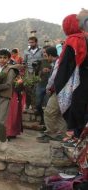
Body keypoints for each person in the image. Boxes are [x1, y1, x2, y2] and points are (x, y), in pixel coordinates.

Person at [54, 13, 88, 146]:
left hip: (78, 80)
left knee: (76, 106)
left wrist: (58, 84)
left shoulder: (73, 40)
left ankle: (77, 136)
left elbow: (65, 66)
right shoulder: (85, 37)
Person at [36, 46, 67, 143]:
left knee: (49, 112)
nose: (46, 58)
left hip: (58, 91)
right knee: (58, 114)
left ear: (50, 55)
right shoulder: (59, 61)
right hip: (63, 91)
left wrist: (48, 88)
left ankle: (50, 134)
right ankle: (62, 134)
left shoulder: (57, 63)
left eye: (46, 56)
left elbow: (53, 78)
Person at [23, 36, 44, 110]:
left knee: (36, 89)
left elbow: (44, 61)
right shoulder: (26, 51)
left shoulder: (41, 50)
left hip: (38, 73)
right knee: (28, 89)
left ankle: (35, 106)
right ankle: (28, 105)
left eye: (32, 42)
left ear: (36, 42)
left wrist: (39, 64)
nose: (31, 44)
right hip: (29, 72)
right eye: (29, 42)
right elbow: (24, 62)